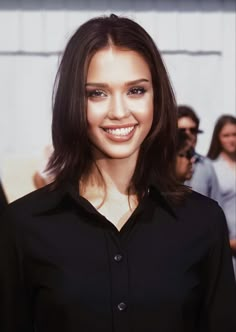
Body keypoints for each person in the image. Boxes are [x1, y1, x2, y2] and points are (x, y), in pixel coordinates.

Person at [0, 14, 236, 332]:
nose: (119, 112)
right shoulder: (23, 225)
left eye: (136, 91)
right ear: (73, 101)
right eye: (97, 93)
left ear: (157, 97)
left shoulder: (203, 221)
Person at [207, 114, 236, 277]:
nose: (231, 139)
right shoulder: (212, 167)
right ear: (218, 138)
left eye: (234, 134)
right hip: (226, 242)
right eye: (226, 135)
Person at [177, 105, 222, 204]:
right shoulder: (161, 164)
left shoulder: (206, 165)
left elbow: (217, 204)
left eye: (192, 130)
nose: (188, 134)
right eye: (182, 130)